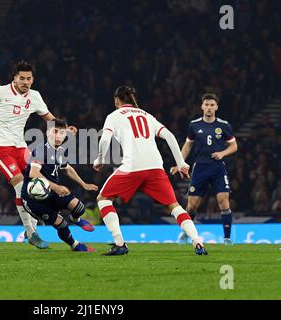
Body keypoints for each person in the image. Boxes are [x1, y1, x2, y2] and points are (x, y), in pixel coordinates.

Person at [93, 86, 207, 256]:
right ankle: (197, 241)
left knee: (103, 199)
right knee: (174, 206)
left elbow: (104, 140)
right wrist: (181, 162)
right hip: (155, 167)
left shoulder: (114, 116)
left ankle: (119, 243)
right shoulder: (147, 115)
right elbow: (169, 136)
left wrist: (100, 159)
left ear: (117, 100)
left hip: (132, 167)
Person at [0, 61, 76, 249]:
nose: (25, 81)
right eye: (21, 78)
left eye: (28, 78)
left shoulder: (35, 97)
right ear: (14, 78)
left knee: (36, 183)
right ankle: (31, 233)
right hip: (0, 147)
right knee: (21, 184)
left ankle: (32, 228)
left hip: (21, 147)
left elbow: (49, 118)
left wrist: (65, 129)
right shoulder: (1, 91)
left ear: (33, 80)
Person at [21, 119, 98, 252]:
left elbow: (67, 168)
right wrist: (56, 187)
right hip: (33, 199)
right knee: (61, 223)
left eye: (61, 133)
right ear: (47, 133)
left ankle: (76, 219)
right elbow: (34, 173)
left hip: (51, 192)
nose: (58, 136)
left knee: (79, 207)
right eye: (54, 132)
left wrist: (84, 184)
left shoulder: (59, 150)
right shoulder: (40, 150)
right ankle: (75, 245)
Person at [170, 93, 238, 244]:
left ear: (216, 107)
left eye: (212, 105)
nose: (209, 108)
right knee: (192, 205)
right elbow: (188, 145)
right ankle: (186, 233)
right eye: (206, 105)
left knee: (223, 201)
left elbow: (234, 146)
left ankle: (227, 238)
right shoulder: (194, 125)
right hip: (200, 167)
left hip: (217, 168)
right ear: (202, 106)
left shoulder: (223, 125)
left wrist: (223, 153)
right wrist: (179, 163)